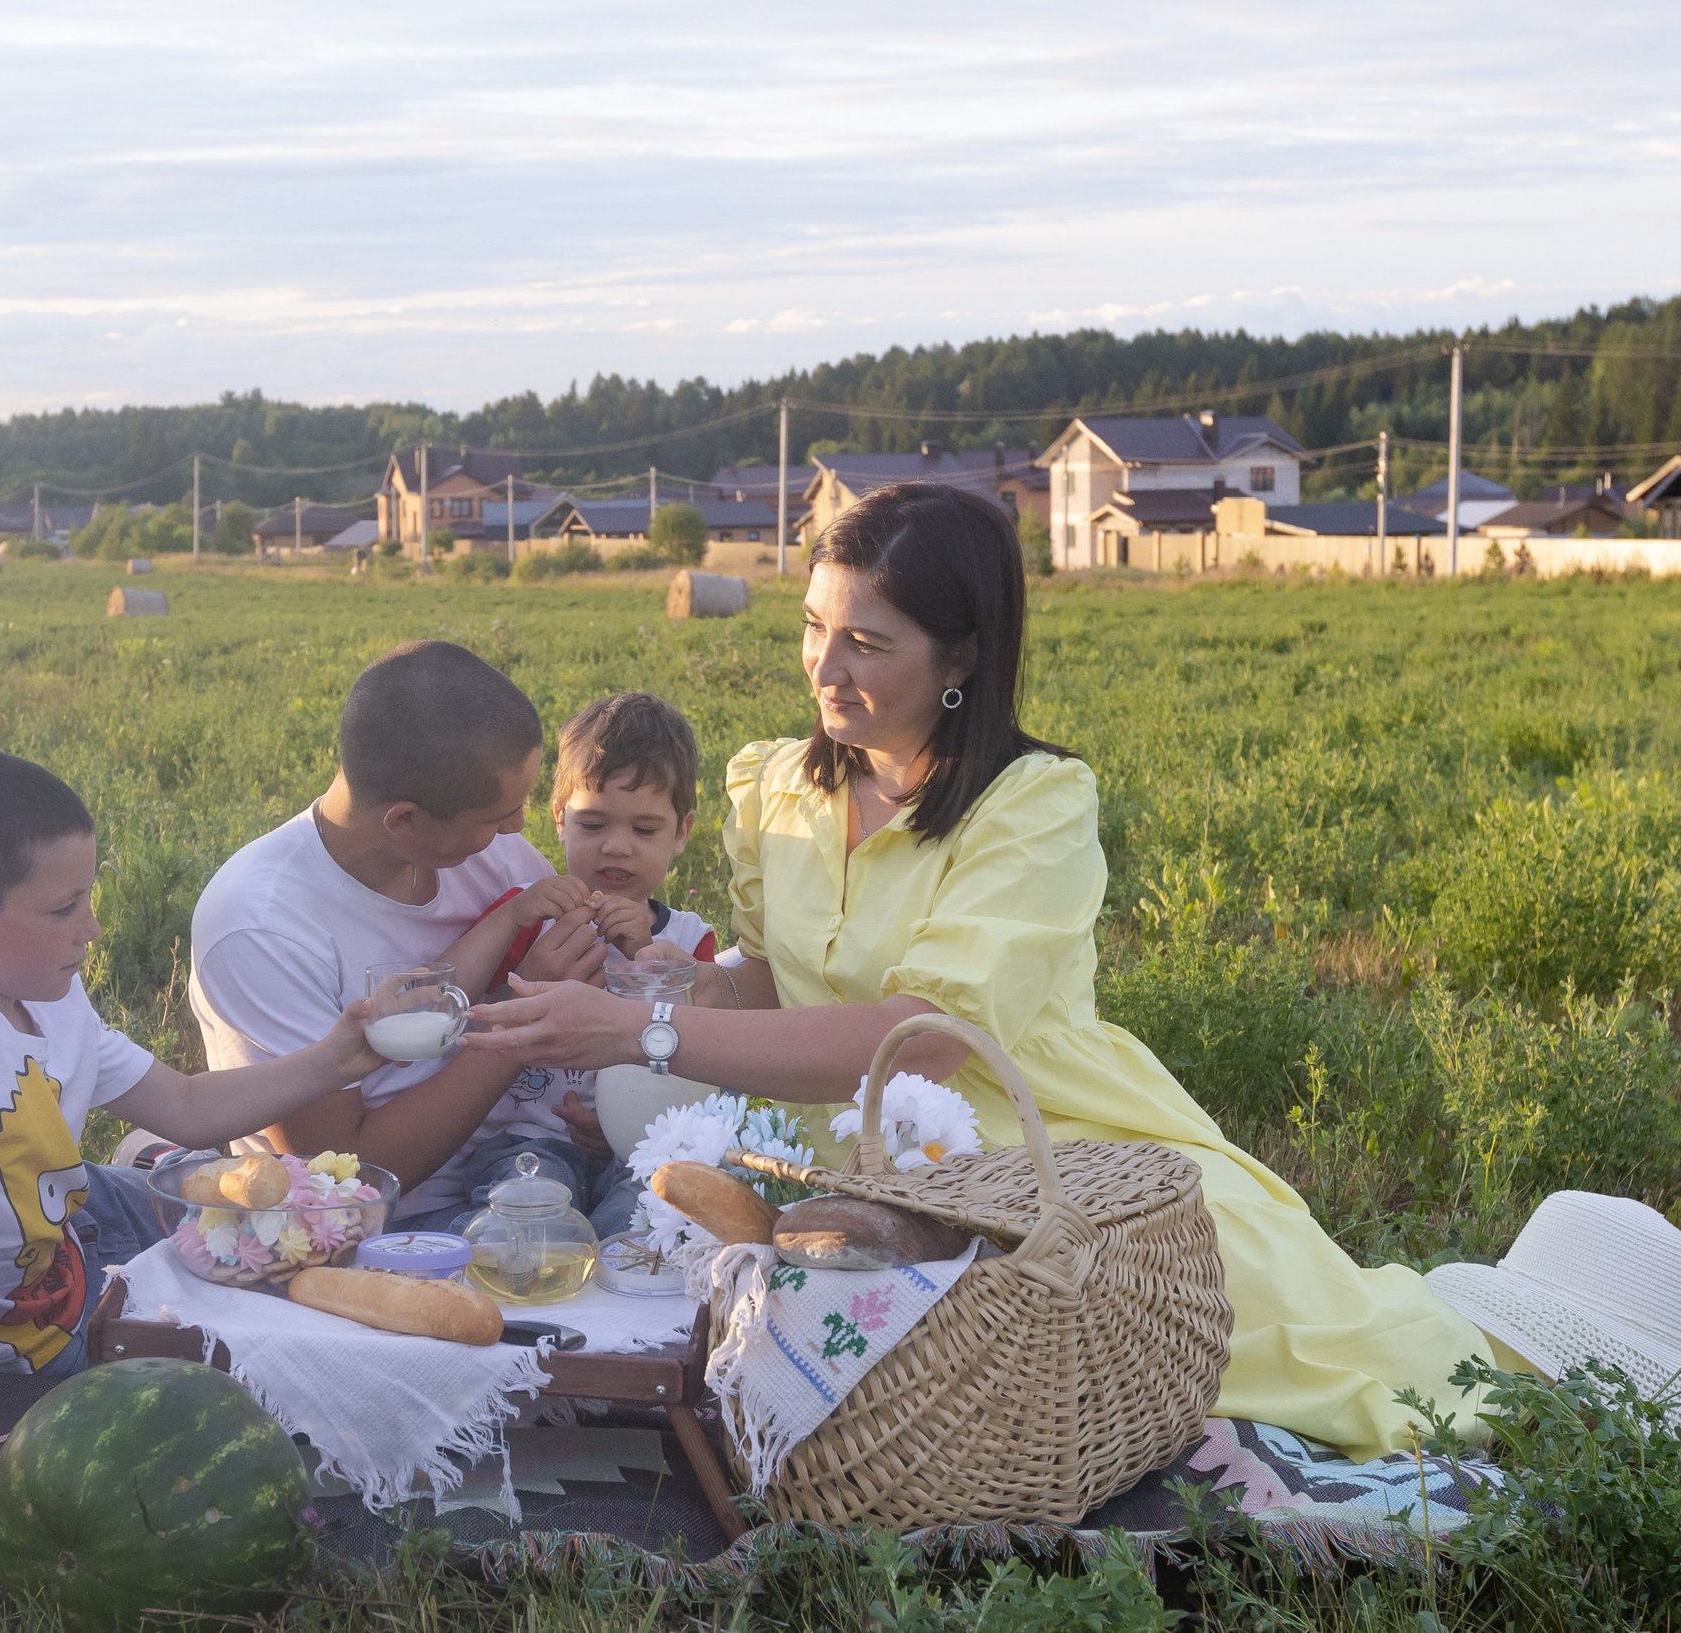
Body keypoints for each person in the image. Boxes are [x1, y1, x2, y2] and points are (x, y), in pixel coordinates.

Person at [458, 482, 1493, 1458]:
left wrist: (639, 1034)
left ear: (960, 655)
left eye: (866, 643)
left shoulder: (1032, 805)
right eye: (814, 627)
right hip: (827, 1151)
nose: (825, 669)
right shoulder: (775, 787)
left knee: (1263, 1345)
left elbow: (928, 1038)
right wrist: (656, 986)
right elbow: (774, 979)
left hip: (1030, 1134)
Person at [0, 750, 384, 1478]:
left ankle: (143, 1179)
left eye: (88, 898)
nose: (91, 928)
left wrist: (333, 1059)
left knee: (286, 1218)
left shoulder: (43, 987)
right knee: (231, 1401)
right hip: (15, 1338)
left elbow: (183, 1103)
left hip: (64, 1236)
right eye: (64, 909)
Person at [186, 640, 608, 1230]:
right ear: (404, 820)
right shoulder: (261, 927)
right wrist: (523, 1020)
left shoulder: (492, 854)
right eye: (496, 817)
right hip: (382, 1228)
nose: (518, 828)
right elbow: (344, 1177)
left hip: (539, 1165)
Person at [440, 691, 719, 1235]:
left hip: (645, 1148)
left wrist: (650, 960)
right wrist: (510, 918)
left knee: (648, 1222)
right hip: (527, 1141)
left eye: (644, 830)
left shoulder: (689, 940)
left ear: (682, 832)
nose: (617, 848)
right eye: (593, 825)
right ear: (560, 819)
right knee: (526, 1218)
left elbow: (705, 1046)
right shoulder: (532, 914)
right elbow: (450, 998)